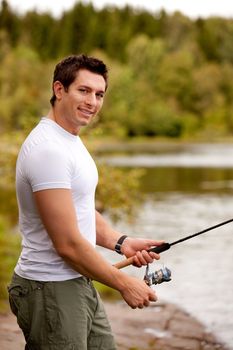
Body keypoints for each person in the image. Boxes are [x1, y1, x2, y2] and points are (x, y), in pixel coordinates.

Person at [8, 54, 163, 350]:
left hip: (78, 281)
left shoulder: (69, 140)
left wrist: (122, 242)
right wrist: (124, 283)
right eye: (84, 90)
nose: (92, 101)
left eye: (99, 94)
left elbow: (78, 209)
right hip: (50, 288)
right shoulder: (48, 149)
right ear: (59, 90)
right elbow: (66, 243)